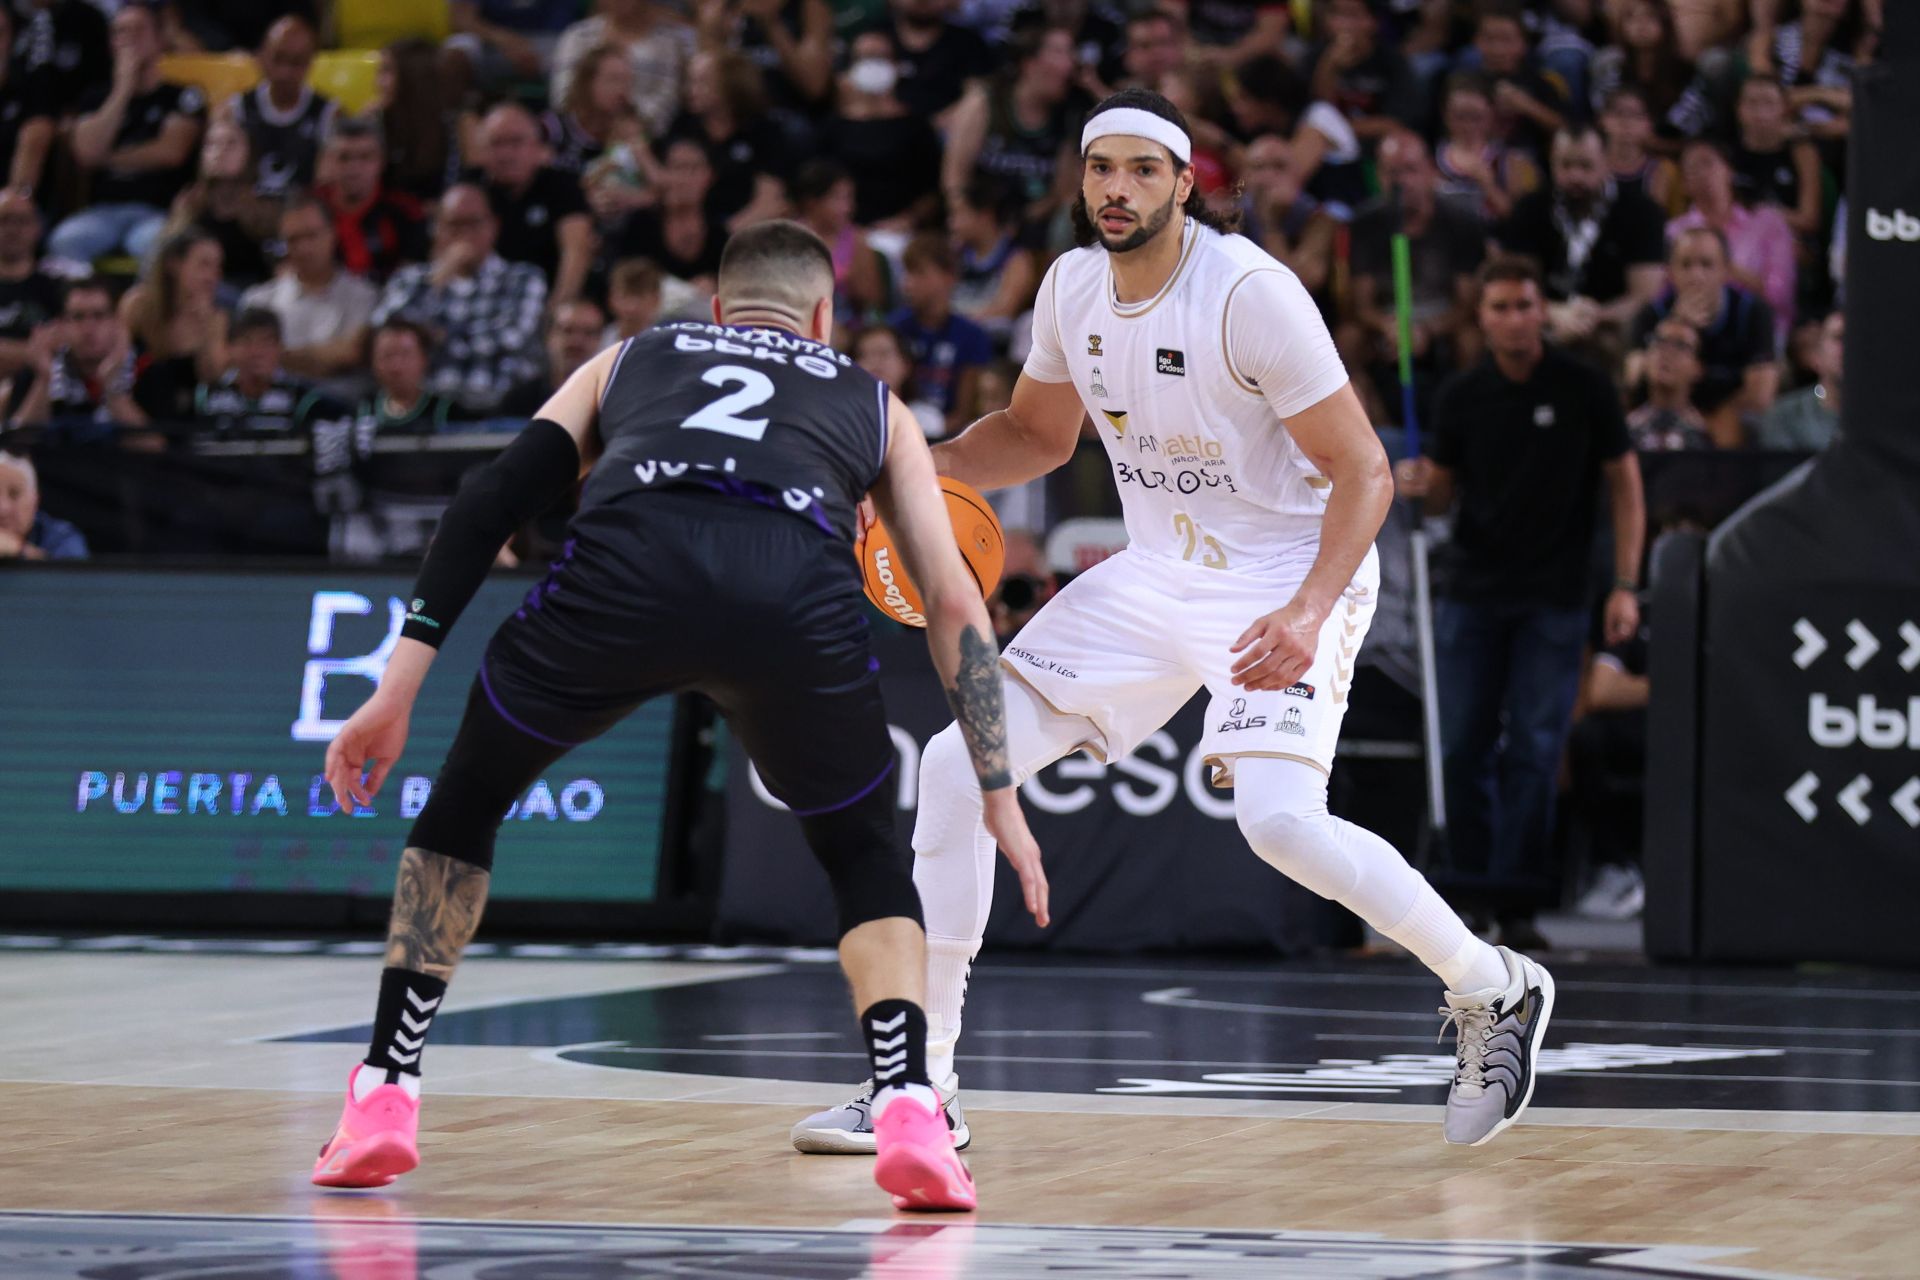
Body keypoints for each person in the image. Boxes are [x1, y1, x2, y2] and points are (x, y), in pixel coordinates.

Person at [795, 89, 1556, 1157]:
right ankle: (921, 1090)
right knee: (957, 760)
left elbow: (1366, 470)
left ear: (1184, 183)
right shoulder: (1068, 287)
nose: (1117, 187)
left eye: (1142, 170)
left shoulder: (1249, 294)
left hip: (1290, 566)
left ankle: (1495, 985)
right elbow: (1034, 433)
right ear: (1080, 180)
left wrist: (1306, 608)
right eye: (1101, 167)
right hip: (1159, 570)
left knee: (1279, 823)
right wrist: (915, 464)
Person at [310, 219, 1035, 1218]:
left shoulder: (635, 355)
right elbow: (953, 601)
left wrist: (395, 689)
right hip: (791, 601)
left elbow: (487, 502)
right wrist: (997, 784)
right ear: (825, 319)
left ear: (719, 310)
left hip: (625, 577)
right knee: (865, 856)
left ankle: (386, 1084)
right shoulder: (875, 402)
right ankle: (909, 1097)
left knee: (467, 803)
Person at [1395, 255, 1645, 952]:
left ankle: (1517, 901)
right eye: (1499, 306)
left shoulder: (1583, 387)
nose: (1512, 318)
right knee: (1464, 743)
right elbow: (1444, 493)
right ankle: (1471, 894)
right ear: (1483, 317)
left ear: (1543, 310)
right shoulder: (1461, 395)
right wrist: (1420, 483)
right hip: (1473, 591)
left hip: (1556, 597)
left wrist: (1625, 584)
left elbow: (1626, 485)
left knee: (1535, 748)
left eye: (1524, 304)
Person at [47, 4, 208, 268]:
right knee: (65, 241)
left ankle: (144, 310)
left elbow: (170, 152)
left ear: (159, 39)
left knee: (153, 244)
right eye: (120, 32)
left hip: (157, 211)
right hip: (102, 211)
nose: (129, 39)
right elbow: (86, 153)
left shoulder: (182, 95)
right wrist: (123, 88)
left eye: (138, 30)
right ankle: (87, 308)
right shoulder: (95, 97)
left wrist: (106, 157)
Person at [1343, 132, 1486, 423]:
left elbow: (1467, 304)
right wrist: (1388, 326)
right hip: (1387, 322)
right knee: (1346, 341)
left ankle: (1462, 422)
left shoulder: (1462, 221)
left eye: (1410, 170)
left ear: (1430, 171)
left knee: (1471, 341)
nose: (1401, 181)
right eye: (1391, 172)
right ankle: (1374, 429)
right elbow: (1360, 304)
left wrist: (1426, 330)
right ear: (1378, 175)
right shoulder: (1365, 223)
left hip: (1443, 321)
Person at [371, 185, 548, 416]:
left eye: (473, 223)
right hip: (428, 414)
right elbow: (386, 330)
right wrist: (438, 280)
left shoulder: (523, 278)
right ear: (436, 228)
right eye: (453, 224)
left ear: (493, 226)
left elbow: (508, 339)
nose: (464, 233)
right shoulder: (411, 280)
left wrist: (433, 340)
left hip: (499, 411)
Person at [1495, 125, 1666, 354]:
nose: (1575, 176)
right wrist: (1554, 313)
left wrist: (1593, 317)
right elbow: (1515, 281)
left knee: (1614, 341)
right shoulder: (1529, 208)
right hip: (1541, 320)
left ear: (1606, 162)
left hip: (1609, 324)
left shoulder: (1643, 211)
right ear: (1552, 163)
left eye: (1586, 166)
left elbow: (1644, 296)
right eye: (1565, 165)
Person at [1628, 225, 1777, 447]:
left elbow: (1760, 395)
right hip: (1670, 410)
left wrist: (1708, 422)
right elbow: (1634, 379)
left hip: (1725, 413)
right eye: (1686, 265)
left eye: (1707, 265)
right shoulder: (1652, 315)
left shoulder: (1753, 311)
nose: (1696, 276)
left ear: (1726, 270)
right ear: (1671, 272)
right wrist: (1677, 325)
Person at [941, 23, 1081, 233]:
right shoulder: (984, 102)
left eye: (1072, 53)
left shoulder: (1069, 116)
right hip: (976, 222)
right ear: (1029, 63)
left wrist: (1018, 226)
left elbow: (1061, 195)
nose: (1071, 64)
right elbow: (955, 177)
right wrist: (968, 217)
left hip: (1034, 230)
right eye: (1060, 53)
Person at [240, 198, 380, 395]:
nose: (304, 248)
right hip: (275, 404)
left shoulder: (363, 295)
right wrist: (321, 358)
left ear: (332, 234)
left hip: (338, 404)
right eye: (293, 239)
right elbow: (248, 359)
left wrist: (278, 357)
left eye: (312, 236)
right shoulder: (259, 300)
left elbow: (350, 353)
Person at [1667, 139, 1796, 348]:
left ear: (1729, 170)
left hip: (1758, 330)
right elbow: (1664, 293)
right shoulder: (1675, 231)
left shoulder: (1767, 223)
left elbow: (1779, 297)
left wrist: (1723, 269)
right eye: (1690, 168)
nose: (1701, 173)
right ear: (1684, 184)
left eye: (1707, 163)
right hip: (1690, 328)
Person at [817, 29, 943, 231]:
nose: (873, 65)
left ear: (896, 65)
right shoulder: (833, 127)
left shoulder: (916, 127)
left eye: (880, 57)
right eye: (865, 58)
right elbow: (819, 185)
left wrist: (908, 220)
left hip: (901, 232)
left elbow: (933, 190)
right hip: (844, 232)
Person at [469, 103, 593, 307]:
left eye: (516, 142)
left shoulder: (562, 186)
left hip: (545, 300)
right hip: (480, 303)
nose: (506, 154)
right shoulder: (471, 189)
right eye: (496, 143)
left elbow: (576, 251)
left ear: (537, 147)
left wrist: (556, 309)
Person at [888, 233, 994, 437]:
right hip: (898, 431)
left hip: (948, 437)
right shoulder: (894, 329)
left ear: (948, 277)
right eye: (906, 273)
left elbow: (964, 413)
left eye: (918, 273)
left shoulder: (972, 336)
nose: (907, 284)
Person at [5, 280, 144, 433]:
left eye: (99, 316)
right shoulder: (36, 372)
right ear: (62, 324)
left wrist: (113, 390)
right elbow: (15, 447)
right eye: (78, 317)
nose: (88, 328)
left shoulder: (144, 370)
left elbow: (156, 447)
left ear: (116, 322)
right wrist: (44, 380)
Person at [163, 117, 279, 299]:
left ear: (249, 154)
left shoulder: (264, 206)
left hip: (251, 294)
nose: (220, 151)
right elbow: (168, 253)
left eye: (231, 144)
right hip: (200, 290)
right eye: (212, 144)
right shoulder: (190, 202)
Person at [224, 15, 337, 199]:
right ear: (261, 57)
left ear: (310, 63)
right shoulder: (236, 109)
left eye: (296, 62)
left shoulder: (329, 113)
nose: (285, 72)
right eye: (278, 59)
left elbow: (327, 185)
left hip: (302, 213)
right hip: (246, 211)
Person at [122, 229, 228, 424]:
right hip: (134, 415)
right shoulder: (138, 305)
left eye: (217, 266)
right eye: (204, 264)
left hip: (187, 421)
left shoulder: (215, 318)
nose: (212, 275)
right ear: (174, 264)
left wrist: (205, 331)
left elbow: (213, 378)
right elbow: (117, 363)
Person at [550, 0, 697, 139]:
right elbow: (562, 98)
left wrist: (630, 121)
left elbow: (666, 103)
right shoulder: (577, 37)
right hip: (581, 136)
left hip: (645, 140)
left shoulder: (667, 43)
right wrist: (594, 122)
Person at [193, 307, 343, 438]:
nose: (257, 352)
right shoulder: (207, 396)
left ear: (280, 348)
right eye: (246, 342)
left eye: (266, 342)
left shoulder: (303, 401)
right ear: (230, 348)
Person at [315, 117, 430, 284]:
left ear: (381, 161)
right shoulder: (310, 209)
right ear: (329, 161)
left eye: (365, 157)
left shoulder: (406, 212)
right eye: (344, 158)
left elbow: (413, 274)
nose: (354, 169)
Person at [1237, 134, 1335, 302]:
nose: (1267, 176)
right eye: (1258, 168)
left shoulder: (1318, 218)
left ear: (1296, 174)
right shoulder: (1228, 217)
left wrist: (1271, 224)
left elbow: (1301, 286)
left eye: (1279, 167)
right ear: (1245, 176)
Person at [1309, 0, 1423, 142]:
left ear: (1373, 21)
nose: (1344, 26)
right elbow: (1315, 112)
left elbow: (1393, 123)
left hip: (1377, 145)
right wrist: (1330, 67)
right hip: (1327, 146)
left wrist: (1335, 128)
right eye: (1337, 15)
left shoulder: (1392, 61)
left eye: (1352, 15)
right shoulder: (1314, 57)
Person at [790, 159, 887, 325]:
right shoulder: (789, 237)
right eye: (837, 199)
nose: (847, 208)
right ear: (812, 203)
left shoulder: (858, 241)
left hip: (846, 327)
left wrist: (850, 282)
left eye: (849, 198)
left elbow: (874, 301)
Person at [1433, 73, 1538, 223]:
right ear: (1445, 115)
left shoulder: (1507, 159)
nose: (1467, 125)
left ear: (1491, 115)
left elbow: (1518, 219)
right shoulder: (1432, 159)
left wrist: (1488, 186)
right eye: (1460, 116)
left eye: (1476, 117)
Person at [871, 0, 994, 127]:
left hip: (947, 131)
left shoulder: (968, 43)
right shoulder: (874, 37)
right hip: (882, 127)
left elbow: (978, 94)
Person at [1729, 74, 1822, 240]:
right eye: (1752, 103)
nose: (1760, 113)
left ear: (1784, 109)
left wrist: (1762, 214)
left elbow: (1809, 219)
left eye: (1769, 103)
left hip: (1787, 238)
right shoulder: (1726, 154)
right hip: (1737, 237)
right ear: (1738, 109)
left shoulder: (1801, 153)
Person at [0, 194, 64, 383]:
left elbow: (69, 340)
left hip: (42, 387)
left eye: (22, 221)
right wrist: (34, 353)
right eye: (4, 220)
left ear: (38, 228)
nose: (13, 229)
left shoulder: (58, 284)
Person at [1759, 308, 1841, 451]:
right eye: (1839, 338)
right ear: (1817, 355)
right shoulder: (1786, 415)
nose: (1850, 348)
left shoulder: (1885, 418)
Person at [1626, 319, 1714, 451]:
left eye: (1680, 346)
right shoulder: (1626, 431)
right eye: (1659, 342)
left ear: (1698, 368)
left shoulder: (1707, 435)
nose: (1666, 353)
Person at [0, 6, 53, 198]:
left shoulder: (29, 87)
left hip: (12, 209)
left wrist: (13, 200)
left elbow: (35, 140)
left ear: (12, 40)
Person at [0, 450, 88, 560]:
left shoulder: (61, 537)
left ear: (35, 499)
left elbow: (72, 575)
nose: (3, 508)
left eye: (15, 494)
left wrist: (20, 550)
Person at [605, 258, 664, 341]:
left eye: (640, 297)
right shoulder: (599, 341)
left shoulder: (666, 341)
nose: (631, 307)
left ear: (656, 299)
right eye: (625, 296)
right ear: (611, 297)